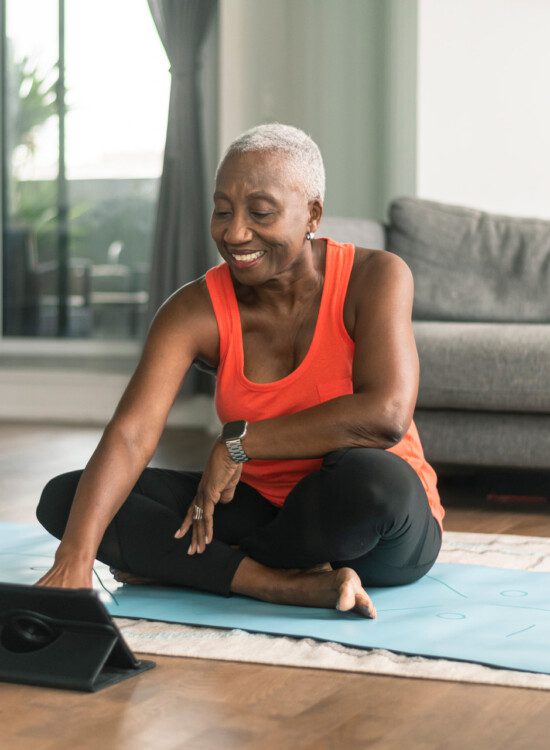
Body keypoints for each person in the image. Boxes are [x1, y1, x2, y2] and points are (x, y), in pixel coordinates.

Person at [35, 123, 444, 619]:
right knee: (70, 501)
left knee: (373, 480)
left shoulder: (375, 276)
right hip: (257, 508)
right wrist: (74, 560)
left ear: (312, 212)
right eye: (222, 211)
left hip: (368, 525)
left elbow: (386, 415)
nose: (234, 233)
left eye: (261, 212)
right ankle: (277, 584)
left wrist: (240, 442)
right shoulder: (193, 310)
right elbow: (131, 434)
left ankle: (200, 567)